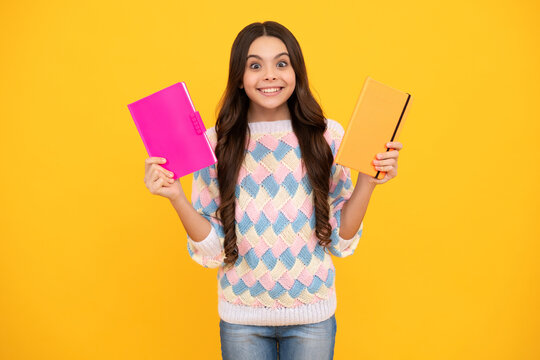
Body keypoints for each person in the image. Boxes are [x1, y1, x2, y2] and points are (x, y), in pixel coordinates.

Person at [143, 21, 403, 360]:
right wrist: (176, 196)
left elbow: (340, 237)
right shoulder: (214, 144)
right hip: (242, 320)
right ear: (239, 76)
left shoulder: (328, 136)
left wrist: (369, 180)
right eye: (255, 65)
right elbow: (213, 250)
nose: (270, 75)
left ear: (297, 71)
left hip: (312, 316)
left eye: (281, 63)